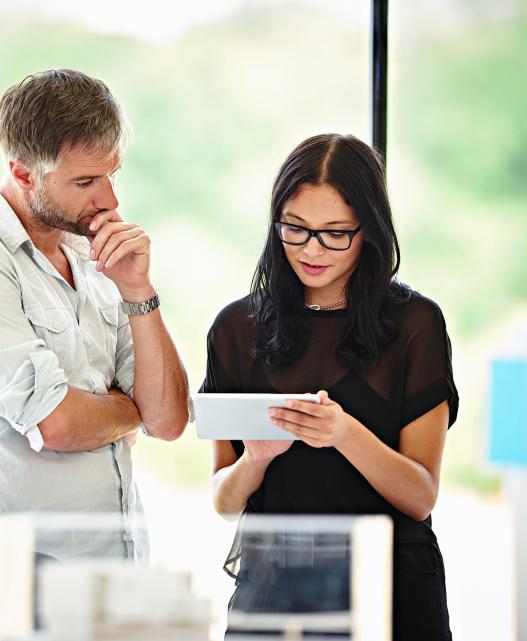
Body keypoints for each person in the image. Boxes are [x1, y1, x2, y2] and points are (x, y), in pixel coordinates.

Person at [0, 69, 190, 558]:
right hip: (9, 588)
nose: (110, 200)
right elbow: (58, 425)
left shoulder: (95, 252)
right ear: (23, 173)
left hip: (116, 576)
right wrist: (132, 408)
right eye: (85, 181)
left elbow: (167, 420)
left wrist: (138, 290)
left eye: (110, 175)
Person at [204, 134, 458, 640]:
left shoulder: (415, 324)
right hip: (274, 585)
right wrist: (256, 458)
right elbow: (224, 500)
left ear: (370, 231)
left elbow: (420, 496)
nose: (312, 250)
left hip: (390, 583)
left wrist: (344, 433)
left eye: (335, 233)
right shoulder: (237, 327)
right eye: (295, 229)